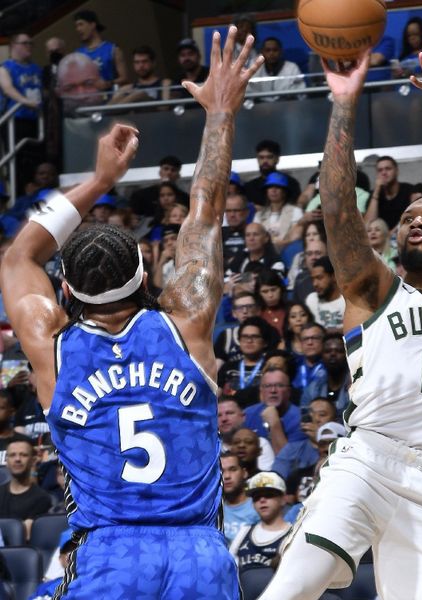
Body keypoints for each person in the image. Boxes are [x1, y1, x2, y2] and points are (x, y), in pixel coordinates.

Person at [0, 28, 263, 597]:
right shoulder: (185, 321)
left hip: (113, 555)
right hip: (199, 553)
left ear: (65, 289)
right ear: (146, 276)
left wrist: (99, 180)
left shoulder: (53, 346)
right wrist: (220, 113)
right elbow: (206, 210)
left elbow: (21, 253)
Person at [260, 37, 422, 599]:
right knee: (296, 584)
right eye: (409, 217)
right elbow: (337, 204)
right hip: (367, 458)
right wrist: (344, 102)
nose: (417, 221)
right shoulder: (373, 290)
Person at [0, 33, 43, 194]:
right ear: (13, 45)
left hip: (35, 120)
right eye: (25, 43)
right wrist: (25, 101)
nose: (29, 46)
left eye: (31, 43)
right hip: (15, 120)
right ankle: (19, 194)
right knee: (17, 162)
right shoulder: (5, 68)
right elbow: (8, 89)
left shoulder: (36, 69)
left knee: (35, 161)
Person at [229, 471, 291, 571]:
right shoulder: (244, 532)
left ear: (283, 499)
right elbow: (230, 570)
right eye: (256, 497)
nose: (262, 500)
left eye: (268, 494)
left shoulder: (293, 535)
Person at [0, 438, 52, 533]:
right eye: (12, 455)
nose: (18, 459)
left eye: (23, 455)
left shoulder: (42, 498)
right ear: (6, 461)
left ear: (32, 461)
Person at [73, 10, 127, 89]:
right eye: (76, 26)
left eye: (81, 24)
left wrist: (108, 83)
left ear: (92, 25)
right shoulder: (78, 54)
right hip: (87, 99)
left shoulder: (113, 49)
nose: (78, 29)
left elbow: (124, 78)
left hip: (111, 97)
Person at [305, 257, 345, 333]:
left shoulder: (348, 300)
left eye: (319, 278)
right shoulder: (311, 300)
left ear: (334, 276)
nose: (315, 284)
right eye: (313, 279)